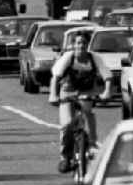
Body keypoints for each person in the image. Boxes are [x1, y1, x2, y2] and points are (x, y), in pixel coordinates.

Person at [48, 32, 112, 173]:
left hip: (87, 91)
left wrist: (106, 92)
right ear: (73, 45)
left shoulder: (94, 58)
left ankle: (92, 143)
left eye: (83, 43)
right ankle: (65, 157)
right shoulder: (68, 58)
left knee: (88, 113)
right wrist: (53, 95)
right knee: (67, 123)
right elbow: (56, 77)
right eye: (78, 43)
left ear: (87, 45)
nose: (81, 46)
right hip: (68, 91)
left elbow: (107, 76)